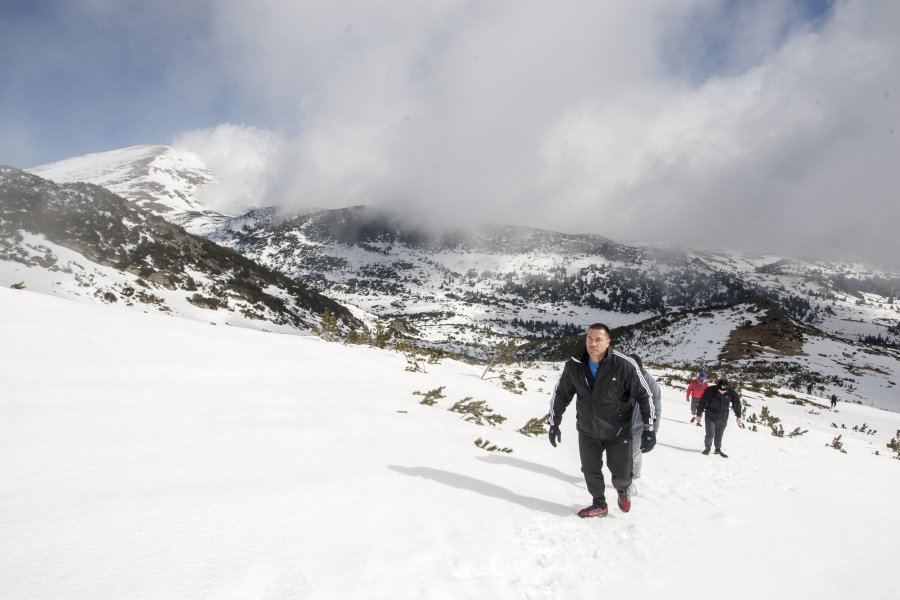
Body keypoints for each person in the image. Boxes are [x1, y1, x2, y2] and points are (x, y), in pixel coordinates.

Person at [548, 323, 656, 518]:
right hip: (588, 430)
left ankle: (623, 490)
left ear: (608, 342)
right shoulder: (575, 365)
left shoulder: (624, 365)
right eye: (589, 338)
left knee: (622, 473)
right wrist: (554, 422)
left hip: (617, 431)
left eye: (598, 339)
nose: (593, 343)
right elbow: (562, 394)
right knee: (590, 470)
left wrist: (649, 429)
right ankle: (599, 503)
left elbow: (645, 395)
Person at [628, 354, 662, 496]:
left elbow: (657, 410)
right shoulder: (625, 378)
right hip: (621, 424)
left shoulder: (651, 385)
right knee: (620, 454)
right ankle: (621, 477)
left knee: (635, 454)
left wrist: (652, 433)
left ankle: (632, 480)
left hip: (640, 427)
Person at [696, 379, 742, 458]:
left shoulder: (731, 392)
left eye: (724, 390)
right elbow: (702, 402)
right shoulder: (709, 390)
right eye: (720, 390)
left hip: (723, 416)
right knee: (710, 434)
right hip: (710, 415)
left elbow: (736, 403)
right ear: (717, 387)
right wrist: (699, 414)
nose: (722, 392)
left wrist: (738, 416)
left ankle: (717, 449)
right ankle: (707, 448)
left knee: (719, 434)